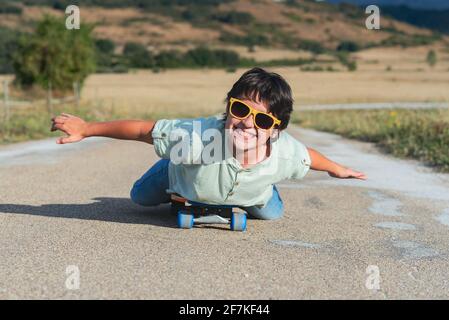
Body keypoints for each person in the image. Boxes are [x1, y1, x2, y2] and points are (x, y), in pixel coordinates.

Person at [51, 67, 366, 220]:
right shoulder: (198, 139)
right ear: (228, 108)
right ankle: (173, 165)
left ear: (276, 129)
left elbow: (307, 158)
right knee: (140, 198)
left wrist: (337, 168)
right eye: (240, 109)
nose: (247, 122)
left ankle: (261, 189)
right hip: (183, 176)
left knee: (272, 215)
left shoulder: (283, 153)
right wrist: (88, 128)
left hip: (254, 187)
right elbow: (142, 130)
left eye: (263, 120)